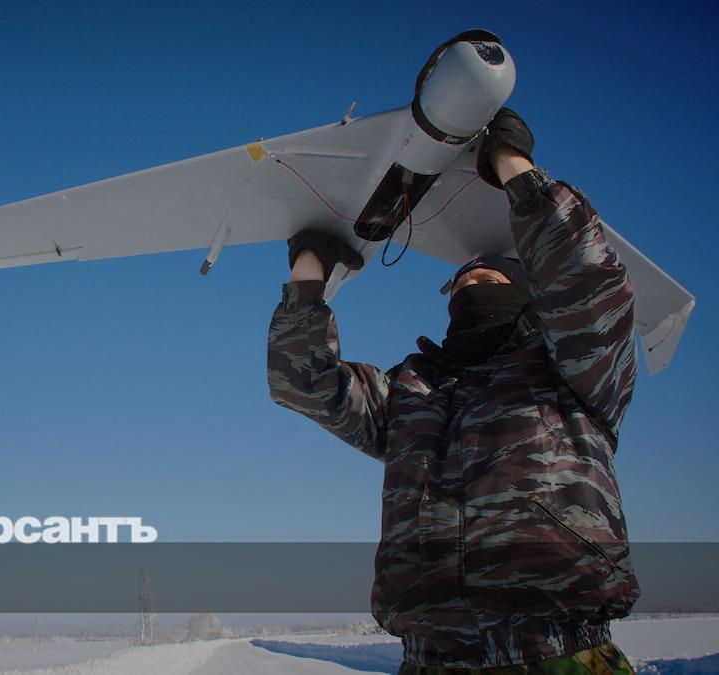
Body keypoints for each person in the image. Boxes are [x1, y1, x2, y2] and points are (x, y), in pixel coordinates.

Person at [267, 109, 639, 672]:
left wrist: (511, 165)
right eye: (460, 284)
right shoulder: (413, 394)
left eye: (487, 279)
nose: (469, 286)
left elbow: (585, 278)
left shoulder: (576, 369)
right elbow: (303, 383)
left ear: (527, 295)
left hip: (559, 652)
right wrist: (308, 269)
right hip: (430, 658)